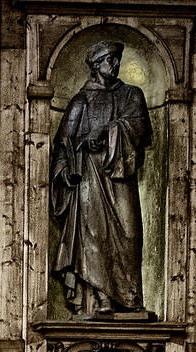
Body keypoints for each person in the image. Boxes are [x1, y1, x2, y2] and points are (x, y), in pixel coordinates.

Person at [50, 40, 152, 319]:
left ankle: (130, 300)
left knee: (130, 234)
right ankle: (100, 299)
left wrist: (108, 132)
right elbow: (63, 144)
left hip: (120, 176)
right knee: (94, 237)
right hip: (89, 179)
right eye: (109, 59)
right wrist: (66, 170)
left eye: (117, 59)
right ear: (96, 65)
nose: (115, 64)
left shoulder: (132, 94)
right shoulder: (81, 100)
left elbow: (141, 128)